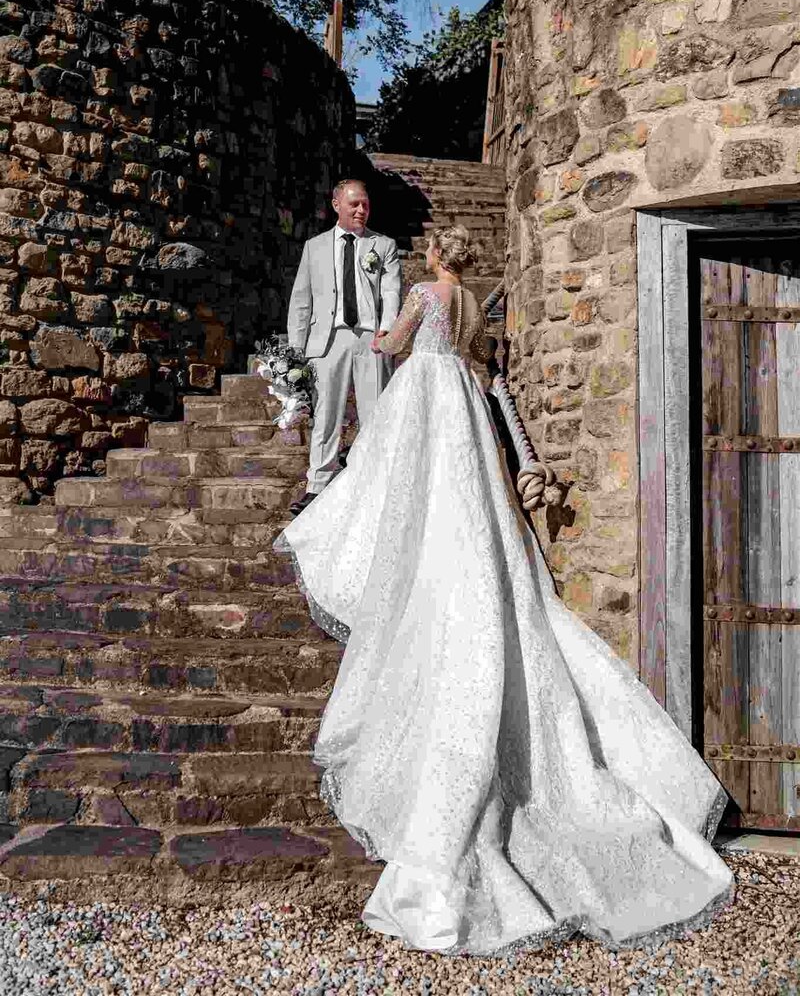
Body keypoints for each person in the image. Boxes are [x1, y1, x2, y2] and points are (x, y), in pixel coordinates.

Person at [273, 224, 735, 957]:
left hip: (425, 393)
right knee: (471, 497)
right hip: (460, 394)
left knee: (402, 485)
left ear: (433, 258)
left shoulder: (425, 294)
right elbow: (481, 363)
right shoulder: (473, 310)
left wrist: (368, 344)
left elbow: (392, 345)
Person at [286, 178, 402, 515]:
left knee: (375, 414)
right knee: (326, 414)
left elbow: (391, 293)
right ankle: (318, 484)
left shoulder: (384, 245)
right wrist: (296, 352)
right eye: (354, 204)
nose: (362, 210)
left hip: (371, 339)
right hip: (327, 340)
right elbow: (301, 302)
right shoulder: (315, 247)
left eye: (365, 204)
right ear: (336, 204)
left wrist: (385, 333)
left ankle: (373, 482)